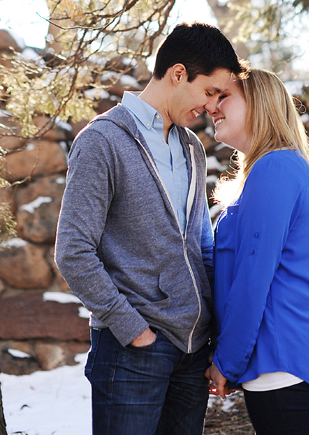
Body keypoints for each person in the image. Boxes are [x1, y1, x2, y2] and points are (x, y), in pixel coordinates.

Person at [55, 22, 241, 435]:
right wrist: (133, 329)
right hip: (132, 352)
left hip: (192, 350)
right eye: (210, 91)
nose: (213, 107)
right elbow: (73, 251)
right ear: (178, 74)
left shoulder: (190, 146)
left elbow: (201, 244)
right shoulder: (102, 141)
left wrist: (216, 333)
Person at [206, 67, 309, 435]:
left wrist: (227, 361)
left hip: (278, 357)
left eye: (224, 97)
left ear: (258, 104)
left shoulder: (275, 169)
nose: (211, 107)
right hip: (273, 358)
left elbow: (253, 281)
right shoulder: (273, 169)